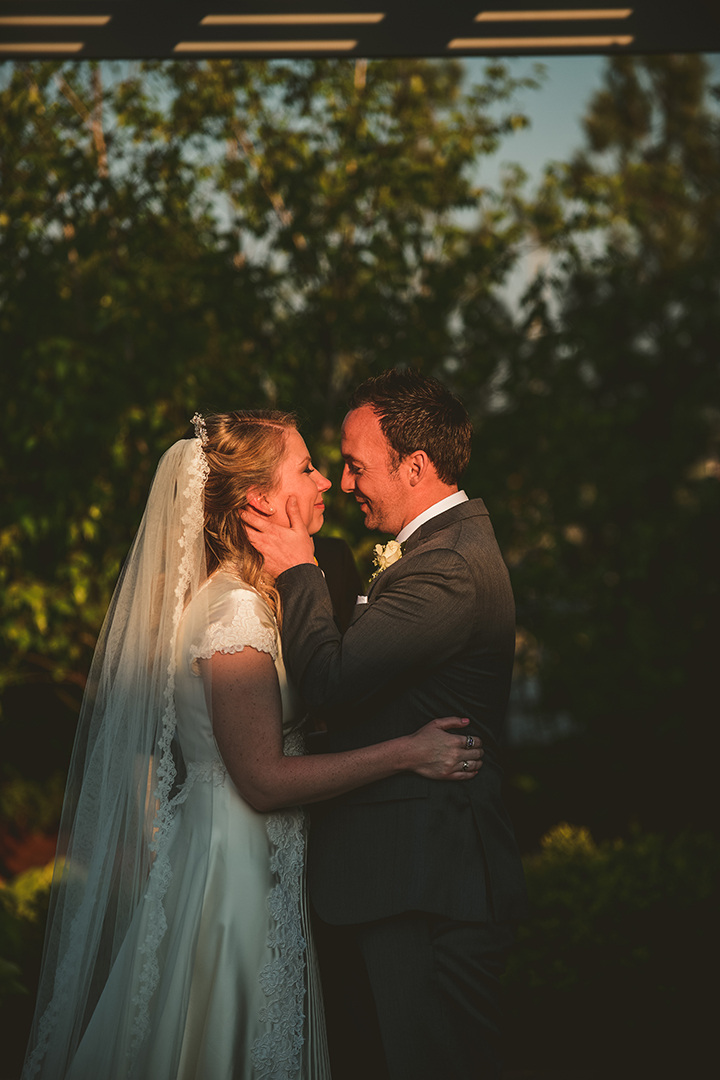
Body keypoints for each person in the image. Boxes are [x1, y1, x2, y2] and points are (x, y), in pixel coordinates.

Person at [21, 409, 484, 1080]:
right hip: (232, 877)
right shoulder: (233, 611)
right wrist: (406, 752)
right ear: (257, 501)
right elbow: (262, 779)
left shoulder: (258, 600)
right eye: (305, 468)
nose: (326, 481)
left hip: (261, 862)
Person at [246, 371, 529, 1080]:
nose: (343, 484)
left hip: (427, 883)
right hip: (395, 881)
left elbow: (331, 683)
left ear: (415, 466)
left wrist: (298, 571)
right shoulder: (435, 553)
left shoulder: (451, 568)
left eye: (355, 465)